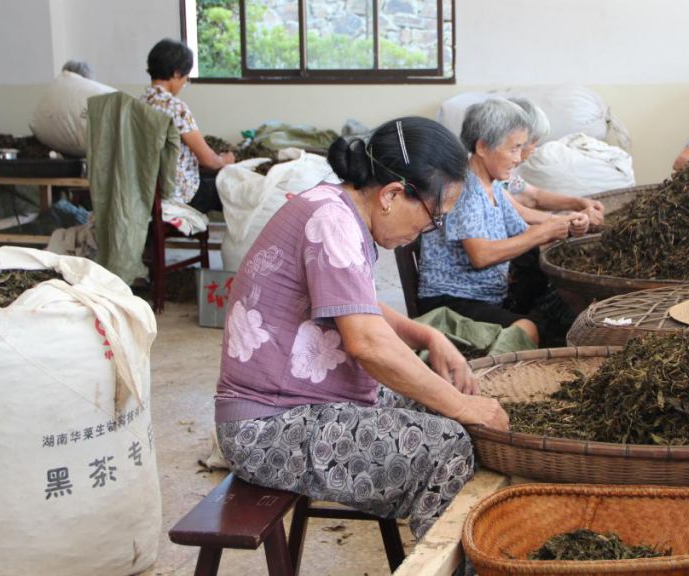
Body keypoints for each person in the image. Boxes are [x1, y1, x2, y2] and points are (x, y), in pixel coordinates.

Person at [215, 117, 507, 540]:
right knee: (447, 444)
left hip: (301, 405)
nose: (421, 234)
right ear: (391, 194)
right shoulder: (331, 220)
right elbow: (366, 342)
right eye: (431, 220)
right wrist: (463, 408)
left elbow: (358, 306)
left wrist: (429, 336)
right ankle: (443, 565)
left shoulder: (336, 210)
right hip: (267, 426)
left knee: (448, 412)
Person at [417, 98, 579, 346]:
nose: (518, 159)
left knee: (561, 306)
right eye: (513, 149)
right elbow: (480, 255)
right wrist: (544, 231)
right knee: (528, 329)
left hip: (487, 296)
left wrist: (565, 225)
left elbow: (523, 234)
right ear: (482, 147)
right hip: (451, 301)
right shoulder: (465, 188)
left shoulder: (491, 185)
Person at [140, 39, 234, 213]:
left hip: (148, 191)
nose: (185, 82)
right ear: (176, 73)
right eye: (185, 77)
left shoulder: (139, 106)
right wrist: (227, 160)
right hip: (179, 194)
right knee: (236, 190)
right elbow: (209, 161)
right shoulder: (176, 108)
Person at [504, 95, 605, 229]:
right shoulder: (484, 179)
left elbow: (534, 196)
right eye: (532, 142)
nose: (534, 149)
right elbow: (520, 214)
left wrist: (579, 202)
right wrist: (571, 220)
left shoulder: (506, 175)